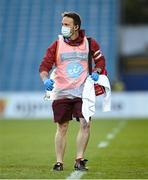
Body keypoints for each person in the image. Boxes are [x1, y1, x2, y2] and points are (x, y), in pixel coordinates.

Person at [39, 11, 106, 171]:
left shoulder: (90, 43)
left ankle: (79, 159)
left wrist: (97, 71)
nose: (63, 27)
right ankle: (59, 162)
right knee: (62, 127)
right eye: (62, 24)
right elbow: (44, 66)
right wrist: (45, 79)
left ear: (76, 27)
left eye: (66, 24)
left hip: (83, 91)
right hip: (62, 91)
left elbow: (100, 60)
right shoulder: (56, 44)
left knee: (85, 124)